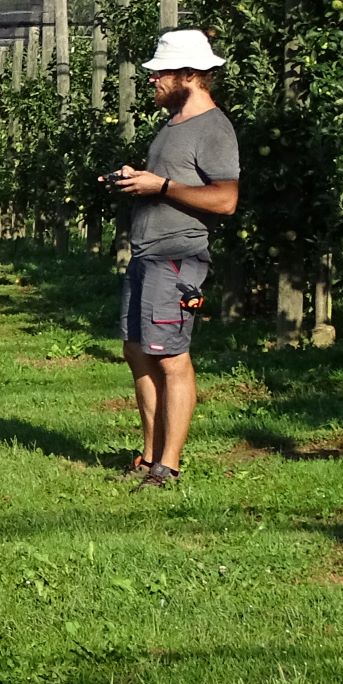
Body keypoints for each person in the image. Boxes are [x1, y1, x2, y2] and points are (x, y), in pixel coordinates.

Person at [102, 30, 240, 489]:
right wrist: (136, 180)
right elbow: (171, 180)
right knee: (137, 351)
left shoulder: (214, 129)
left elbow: (225, 200)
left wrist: (159, 187)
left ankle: (169, 465)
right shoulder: (172, 125)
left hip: (177, 258)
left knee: (171, 357)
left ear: (189, 75)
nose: (153, 81)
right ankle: (148, 454)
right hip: (147, 254)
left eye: (160, 73)